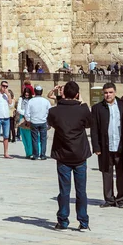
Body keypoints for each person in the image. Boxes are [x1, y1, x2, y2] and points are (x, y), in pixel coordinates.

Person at [47, 81, 91, 231]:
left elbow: (52, 122)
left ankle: (63, 220)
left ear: (64, 93)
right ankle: (83, 221)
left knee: (64, 191)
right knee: (81, 191)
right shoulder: (83, 110)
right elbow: (89, 123)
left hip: (63, 155)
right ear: (77, 95)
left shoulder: (54, 111)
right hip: (79, 154)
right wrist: (82, 102)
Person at [91, 82, 123, 208]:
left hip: (120, 145)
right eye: (106, 93)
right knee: (106, 173)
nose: (108, 95)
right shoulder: (97, 108)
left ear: (115, 92)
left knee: (121, 173)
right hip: (105, 146)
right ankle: (109, 199)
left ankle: (121, 199)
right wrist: (96, 147)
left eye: (110, 92)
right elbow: (94, 129)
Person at [25, 85, 51, 160]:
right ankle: (43, 155)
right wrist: (48, 121)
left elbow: (27, 113)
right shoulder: (46, 101)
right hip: (43, 122)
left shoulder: (31, 101)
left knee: (35, 139)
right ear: (41, 92)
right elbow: (49, 112)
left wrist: (28, 120)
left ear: (35, 92)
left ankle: (35, 155)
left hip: (34, 122)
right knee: (43, 139)